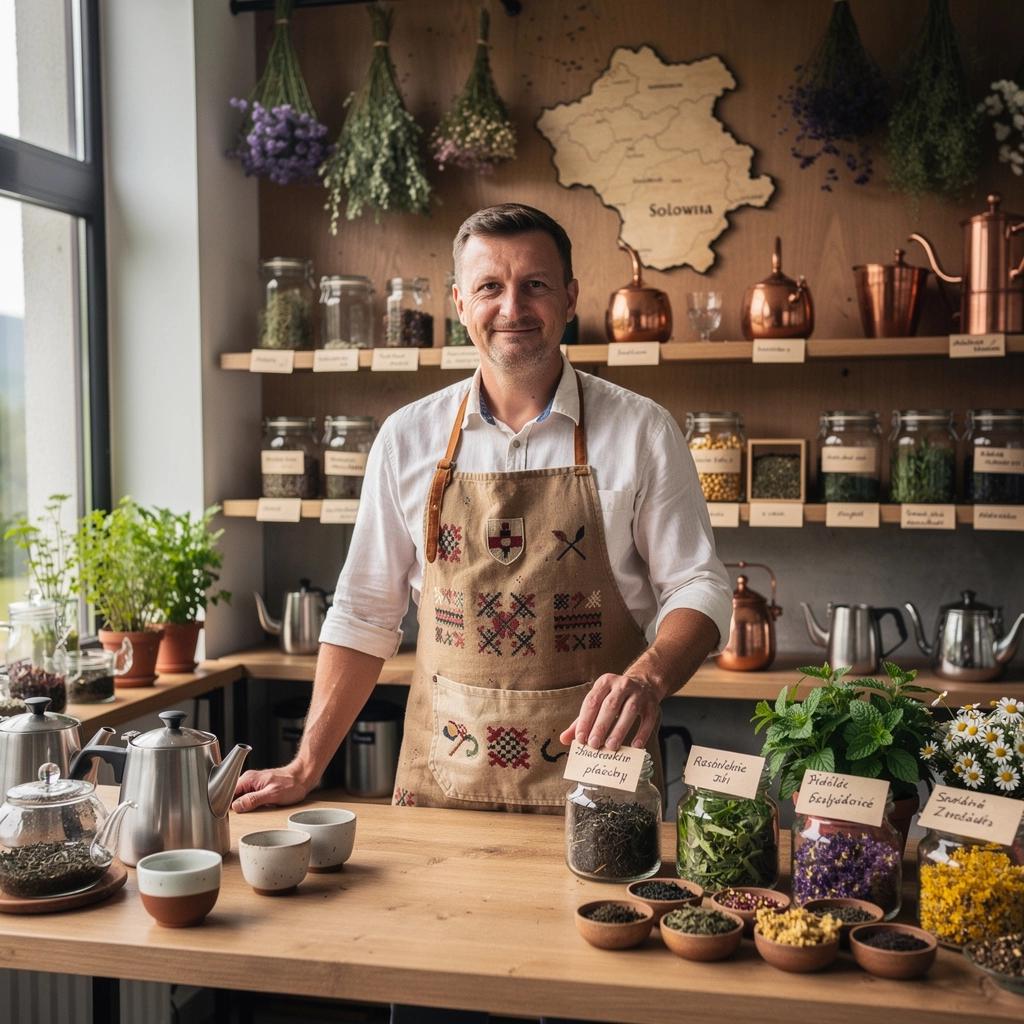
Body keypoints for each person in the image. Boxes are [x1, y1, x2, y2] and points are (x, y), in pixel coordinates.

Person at [233, 203, 732, 814]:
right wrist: (306, 766)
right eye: (490, 287)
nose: (513, 308)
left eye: (536, 285)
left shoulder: (641, 431)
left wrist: (648, 677)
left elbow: (698, 586)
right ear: (459, 303)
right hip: (443, 789)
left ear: (571, 298)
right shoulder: (406, 438)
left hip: (602, 790)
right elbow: (364, 613)